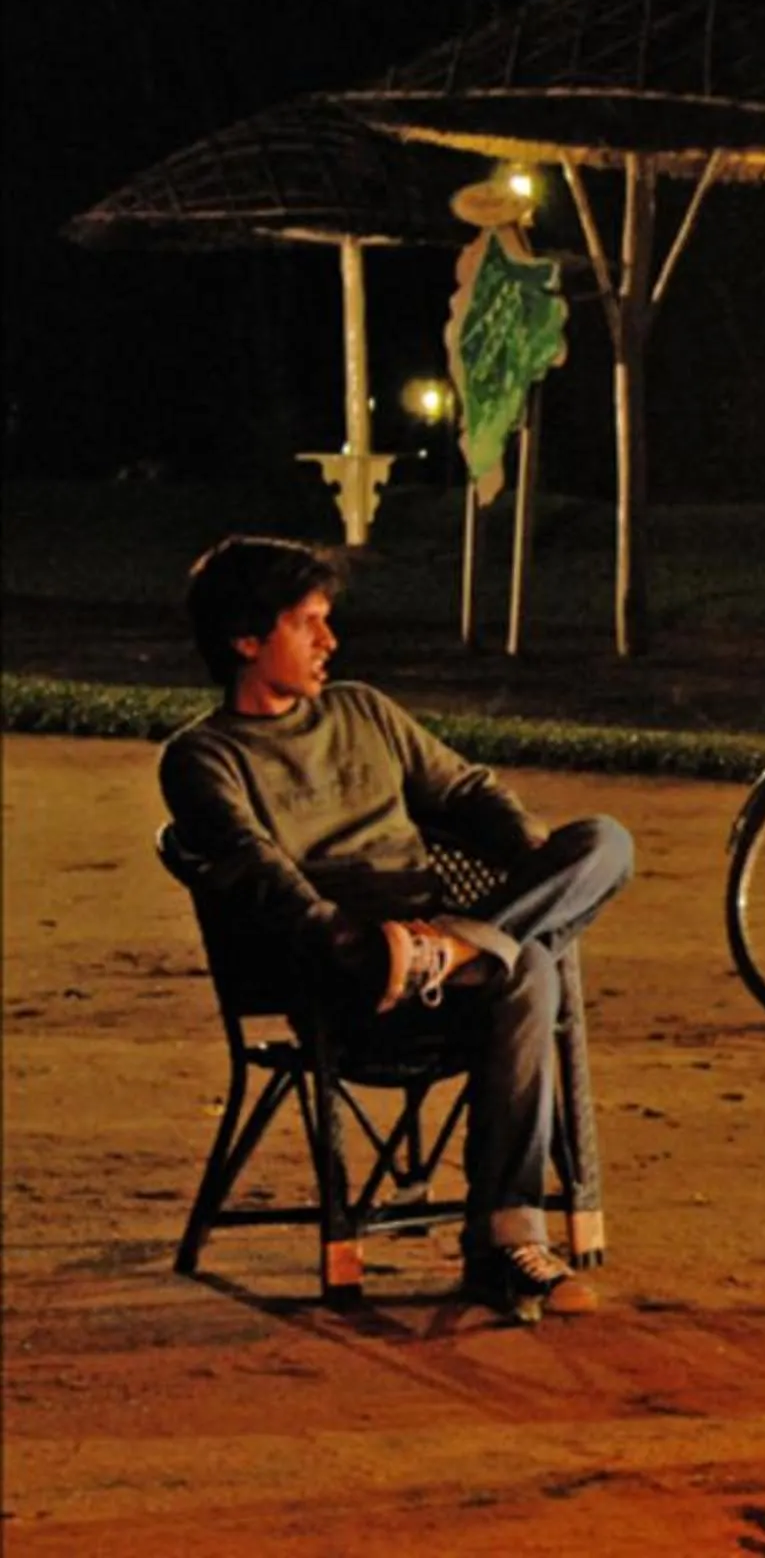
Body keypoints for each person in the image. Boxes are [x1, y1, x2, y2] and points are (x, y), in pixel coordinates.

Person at [159, 535, 633, 1318]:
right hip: (346, 978)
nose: (329, 641)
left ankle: (457, 950)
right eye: (308, 623)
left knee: (605, 842)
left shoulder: (363, 709)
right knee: (532, 970)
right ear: (246, 640)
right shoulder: (202, 757)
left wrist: (522, 854)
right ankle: (504, 1244)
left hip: (441, 946)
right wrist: (355, 943)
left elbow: (469, 792)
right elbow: (262, 876)